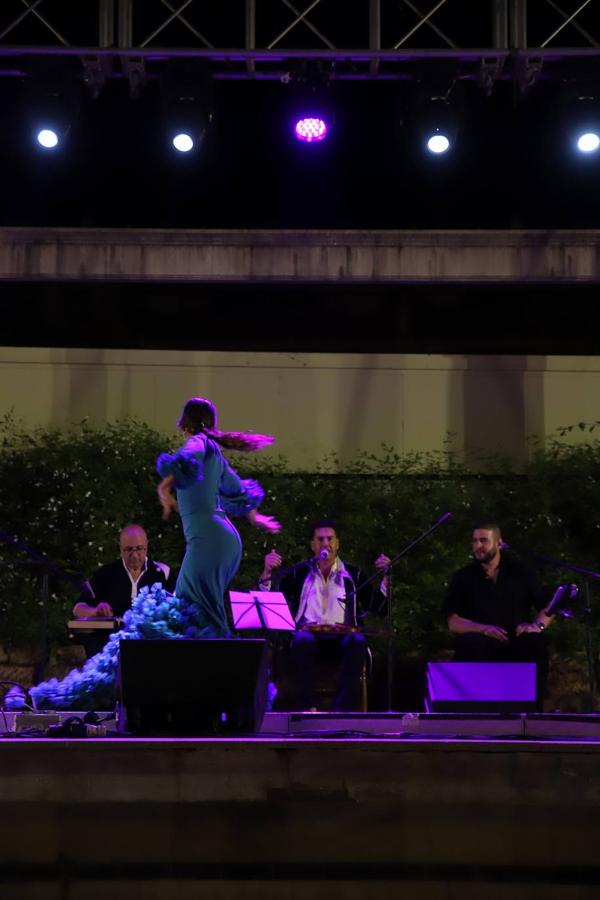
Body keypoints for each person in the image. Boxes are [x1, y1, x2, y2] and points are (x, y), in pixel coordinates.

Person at [157, 397, 280, 637]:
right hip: (224, 542)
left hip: (209, 542)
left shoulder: (198, 443)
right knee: (190, 606)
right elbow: (236, 487)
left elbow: (188, 457)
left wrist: (164, 487)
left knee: (197, 609)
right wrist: (256, 517)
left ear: (185, 424)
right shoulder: (214, 453)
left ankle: (224, 669)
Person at [259, 518, 390, 711]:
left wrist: (387, 578)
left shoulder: (353, 574)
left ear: (338, 543)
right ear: (312, 545)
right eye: (320, 539)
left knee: (358, 641)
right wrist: (267, 570)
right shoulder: (298, 573)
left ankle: (341, 709)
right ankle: (308, 707)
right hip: (308, 635)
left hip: (342, 637)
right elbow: (268, 601)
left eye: (330, 539)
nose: (325, 544)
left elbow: (379, 607)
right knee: (302, 640)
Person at [443, 522, 553, 702]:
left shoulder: (521, 572)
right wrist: (482, 629)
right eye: (475, 541)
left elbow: (548, 606)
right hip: (481, 639)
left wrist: (537, 626)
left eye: (484, 541)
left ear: (499, 543)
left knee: (535, 642)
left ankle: (532, 710)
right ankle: (475, 712)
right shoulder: (463, 577)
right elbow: (452, 620)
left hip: (516, 638)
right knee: (471, 644)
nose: (478, 546)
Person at [72, 523, 172, 657]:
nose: (135, 555)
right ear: (120, 549)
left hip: (152, 650)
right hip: (112, 651)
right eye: (128, 550)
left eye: (139, 549)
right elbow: (78, 608)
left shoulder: (162, 573)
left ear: (147, 547)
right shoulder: (106, 574)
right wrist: (95, 611)